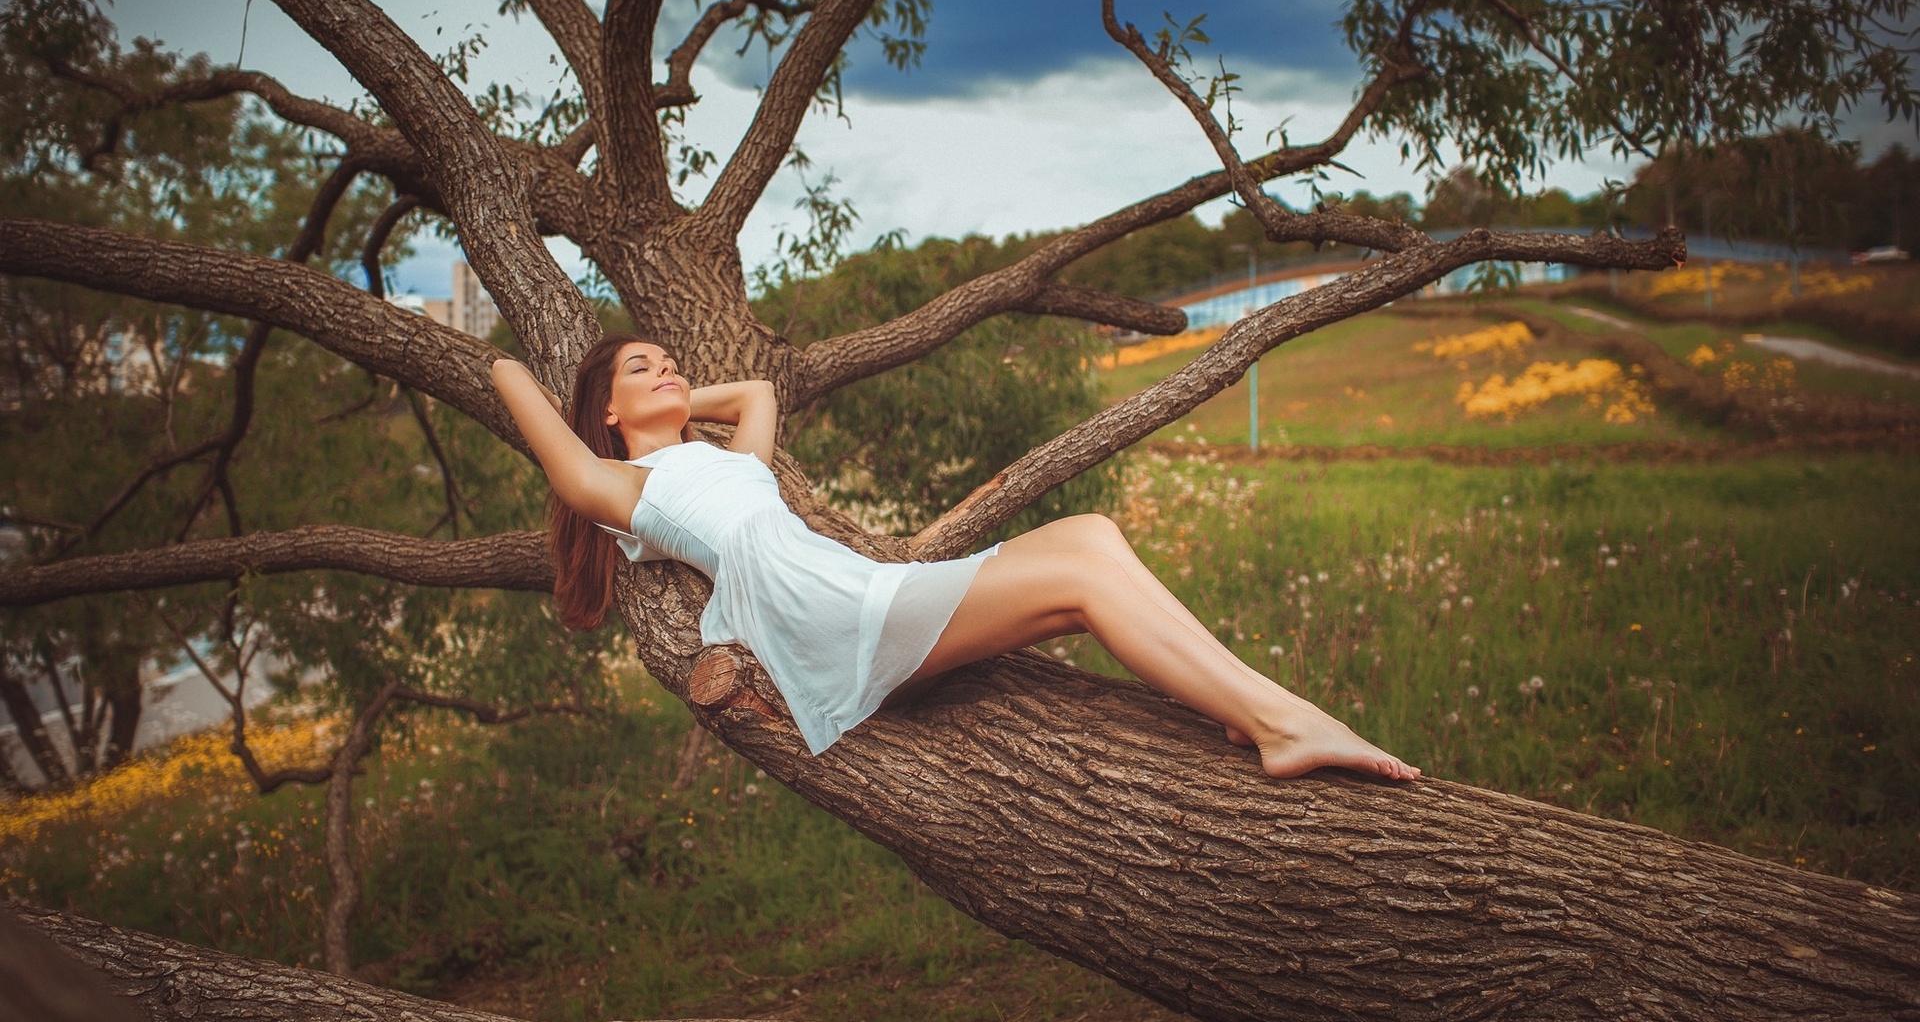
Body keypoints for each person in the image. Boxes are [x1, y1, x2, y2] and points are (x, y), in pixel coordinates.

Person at [491, 338, 1419, 781]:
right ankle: (1281, 722)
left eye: (670, 361)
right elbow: (545, 433)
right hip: (820, 614)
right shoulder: (631, 488)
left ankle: (1254, 709)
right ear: (607, 414)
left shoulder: (722, 462)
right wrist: (501, 366)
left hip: (852, 590)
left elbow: (761, 391)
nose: (671, 374)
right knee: (1084, 568)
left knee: (1089, 538)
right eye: (643, 369)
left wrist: (685, 393)